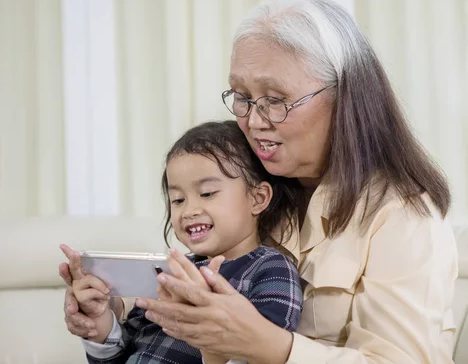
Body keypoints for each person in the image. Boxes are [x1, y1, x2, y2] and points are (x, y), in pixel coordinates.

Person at [62, 0, 458, 363]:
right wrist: (108, 319)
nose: (253, 120)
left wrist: (263, 341)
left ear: (345, 96)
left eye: (275, 99)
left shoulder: (403, 215)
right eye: (242, 97)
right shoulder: (247, 196)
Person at [60, 121, 303, 364]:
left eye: (207, 193)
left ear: (257, 198)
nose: (188, 210)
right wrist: (100, 322)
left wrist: (206, 329)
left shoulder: (272, 270)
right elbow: (120, 356)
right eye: (177, 199)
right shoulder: (168, 273)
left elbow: (265, 353)